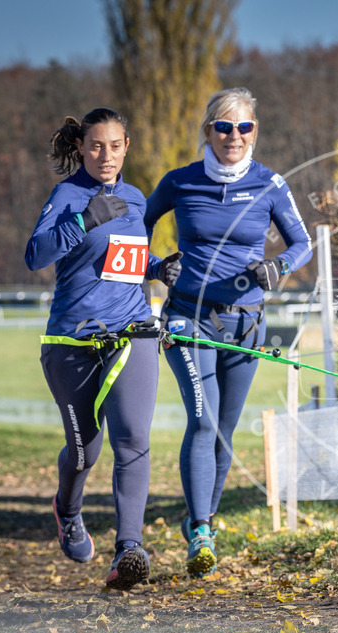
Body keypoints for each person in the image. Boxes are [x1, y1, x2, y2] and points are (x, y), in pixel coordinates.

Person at [144, 87, 312, 577]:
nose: (234, 136)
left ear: (254, 131)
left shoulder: (270, 184)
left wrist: (277, 267)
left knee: (224, 431)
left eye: (244, 127)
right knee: (203, 420)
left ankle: (206, 521)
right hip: (188, 319)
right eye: (224, 126)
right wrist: (156, 266)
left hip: (246, 323)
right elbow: (133, 231)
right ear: (208, 131)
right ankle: (199, 529)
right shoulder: (179, 182)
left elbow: (301, 243)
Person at [25, 107, 182, 591]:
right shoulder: (67, 195)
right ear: (81, 147)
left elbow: (124, 259)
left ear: (126, 146)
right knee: (84, 449)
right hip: (72, 341)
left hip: (131, 330)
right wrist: (83, 218)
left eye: (115, 146)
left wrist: (156, 269)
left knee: (133, 439)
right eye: (96, 146)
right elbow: (36, 255)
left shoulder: (135, 198)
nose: (106, 156)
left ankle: (129, 549)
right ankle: (67, 512)